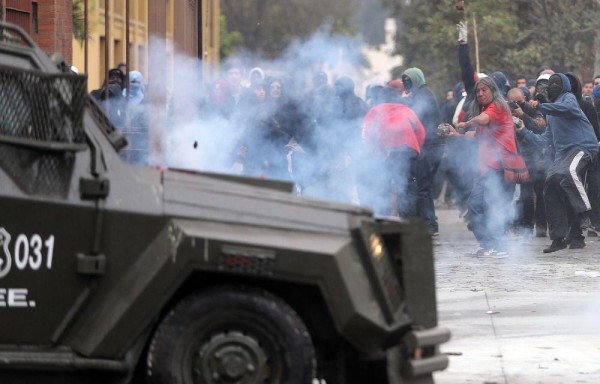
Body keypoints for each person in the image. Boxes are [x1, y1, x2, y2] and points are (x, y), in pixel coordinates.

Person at [516, 73, 598, 253]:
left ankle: (585, 214)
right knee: (550, 183)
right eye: (550, 84)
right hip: (563, 154)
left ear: (565, 86)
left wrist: (542, 105)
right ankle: (558, 237)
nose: (552, 86)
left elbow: (565, 109)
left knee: (570, 172)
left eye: (556, 83)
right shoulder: (551, 115)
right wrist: (522, 131)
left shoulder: (567, 98)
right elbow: (545, 140)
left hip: (582, 146)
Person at [447, 77, 525, 256]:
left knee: (493, 206)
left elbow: (482, 119)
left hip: (504, 167)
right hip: (489, 170)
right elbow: (477, 135)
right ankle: (487, 244)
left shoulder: (497, 106)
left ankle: (501, 247)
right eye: (478, 91)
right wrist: (455, 134)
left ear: (493, 90)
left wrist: (466, 122)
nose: (480, 93)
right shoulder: (484, 110)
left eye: (484, 90)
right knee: (474, 205)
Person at [360, 86, 425, 216]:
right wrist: (416, 150)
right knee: (405, 189)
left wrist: (373, 154)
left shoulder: (375, 111)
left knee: (383, 189)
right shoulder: (406, 110)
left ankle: (384, 221)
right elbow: (421, 132)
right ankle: (408, 223)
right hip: (407, 152)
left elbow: (366, 135)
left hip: (385, 154)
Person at [402, 67, 444, 235]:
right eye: (404, 81)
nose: (406, 84)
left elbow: (417, 116)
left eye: (408, 81)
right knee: (423, 187)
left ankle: (429, 225)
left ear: (416, 80)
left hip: (430, 147)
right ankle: (429, 222)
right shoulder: (423, 94)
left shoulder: (423, 95)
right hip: (432, 147)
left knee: (422, 188)